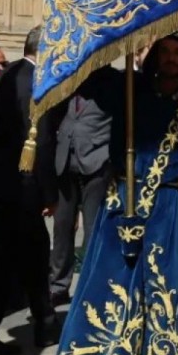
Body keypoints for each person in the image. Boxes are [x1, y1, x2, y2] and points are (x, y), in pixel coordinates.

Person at [53, 25, 178, 355]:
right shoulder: (131, 88)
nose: (171, 59)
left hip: (171, 203)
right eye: (165, 51)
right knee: (117, 283)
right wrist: (118, 31)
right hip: (123, 200)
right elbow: (88, 78)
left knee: (162, 288)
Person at [0, 26, 59, 355]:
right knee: (24, 258)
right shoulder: (36, 82)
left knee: (11, 259)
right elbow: (42, 141)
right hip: (23, 186)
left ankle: (37, 323)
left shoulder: (5, 75)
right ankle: (38, 325)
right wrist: (50, 194)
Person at [48, 66, 116, 306]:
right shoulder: (69, 76)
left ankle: (89, 283)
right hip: (66, 162)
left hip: (95, 163)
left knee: (92, 227)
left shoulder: (112, 80)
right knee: (62, 226)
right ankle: (58, 285)